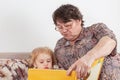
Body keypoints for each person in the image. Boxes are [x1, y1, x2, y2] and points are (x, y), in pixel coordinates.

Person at [52, 4, 120, 80]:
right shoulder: (59, 46)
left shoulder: (96, 29)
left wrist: (89, 57)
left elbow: (110, 42)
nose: (64, 30)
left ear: (79, 20)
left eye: (68, 25)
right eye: (60, 27)